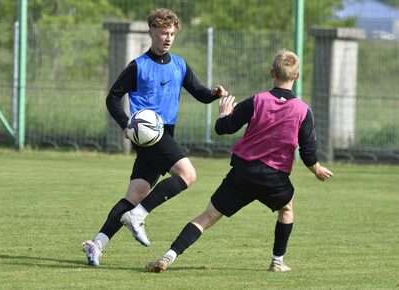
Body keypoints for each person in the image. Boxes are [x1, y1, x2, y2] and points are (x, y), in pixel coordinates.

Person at [145, 49, 333, 273]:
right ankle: (277, 261)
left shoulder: (257, 101)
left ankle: (169, 255)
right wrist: (317, 170)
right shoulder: (303, 110)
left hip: (242, 172)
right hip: (274, 178)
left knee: (207, 216)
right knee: (286, 210)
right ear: (297, 76)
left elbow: (223, 128)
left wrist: (224, 114)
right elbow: (309, 153)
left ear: (271, 72)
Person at [81, 8, 228, 267]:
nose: (168, 38)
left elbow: (199, 93)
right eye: (163, 33)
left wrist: (214, 93)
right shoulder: (138, 66)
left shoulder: (179, 64)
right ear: (151, 32)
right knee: (188, 175)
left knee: (136, 193)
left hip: (166, 133)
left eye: (171, 33)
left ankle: (97, 243)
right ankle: (137, 216)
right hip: (150, 135)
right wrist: (126, 124)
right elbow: (112, 97)